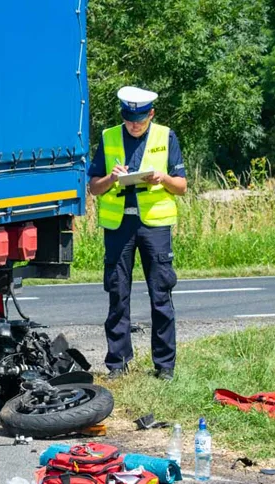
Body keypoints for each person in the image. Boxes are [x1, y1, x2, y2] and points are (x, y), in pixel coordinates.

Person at [87, 86, 187, 380]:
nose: (134, 124)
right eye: (129, 118)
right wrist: (111, 178)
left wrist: (163, 177)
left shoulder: (166, 136)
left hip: (154, 226)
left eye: (140, 119)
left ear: (151, 114)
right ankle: (118, 364)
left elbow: (181, 186)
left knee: (161, 295)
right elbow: (94, 187)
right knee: (118, 293)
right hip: (120, 227)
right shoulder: (108, 138)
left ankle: (165, 366)